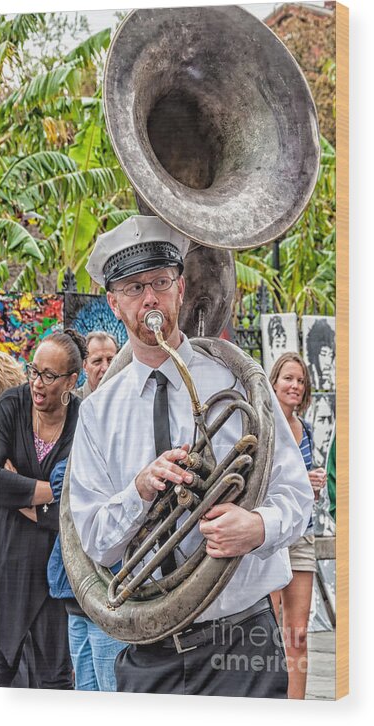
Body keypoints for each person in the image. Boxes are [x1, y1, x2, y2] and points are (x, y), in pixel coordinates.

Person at [69, 215, 313, 699]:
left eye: (161, 282)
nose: (151, 299)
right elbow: (94, 540)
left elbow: (297, 495)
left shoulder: (238, 383)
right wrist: (140, 491)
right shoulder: (98, 411)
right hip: (149, 648)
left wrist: (257, 526)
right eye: (135, 288)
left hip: (241, 639)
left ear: (181, 287)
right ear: (114, 303)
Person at [0, 329, 85, 688]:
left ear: (71, 381)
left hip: (58, 572)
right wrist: (53, 491)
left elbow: (80, 505)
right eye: (34, 371)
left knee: (56, 681)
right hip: (9, 564)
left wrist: (14, 489)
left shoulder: (84, 419)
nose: (38, 383)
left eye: (49, 375)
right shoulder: (12, 405)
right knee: (0, 670)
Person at [48, 330, 126, 692]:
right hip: (74, 585)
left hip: (111, 582)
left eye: (112, 358)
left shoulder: (126, 407)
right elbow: (59, 478)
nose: (106, 367)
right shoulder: (73, 411)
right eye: (97, 360)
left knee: (111, 691)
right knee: (85, 693)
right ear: (84, 369)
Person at [269, 352, 327, 699]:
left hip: (302, 534)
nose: (294, 385)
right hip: (272, 538)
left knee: (298, 633)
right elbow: (256, 483)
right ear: (274, 383)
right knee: (267, 628)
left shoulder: (305, 430)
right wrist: (300, 482)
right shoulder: (265, 426)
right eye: (288, 378)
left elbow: (306, 491)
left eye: (300, 381)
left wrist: (313, 487)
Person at [76, 331, 119, 399]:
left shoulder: (130, 399)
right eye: (97, 361)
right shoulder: (72, 405)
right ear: (85, 365)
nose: (105, 368)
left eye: (110, 360)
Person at [306, 319, 336, 391]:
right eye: (323, 354)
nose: (328, 362)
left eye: (330, 355)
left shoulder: (333, 375)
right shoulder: (306, 374)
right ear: (314, 355)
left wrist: (333, 386)